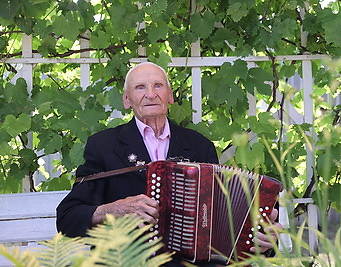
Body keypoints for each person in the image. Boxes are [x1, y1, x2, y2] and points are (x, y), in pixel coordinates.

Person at [56, 62, 281, 265]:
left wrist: (264, 237)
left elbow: (222, 218)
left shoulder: (199, 146)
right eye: (140, 87)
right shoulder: (103, 146)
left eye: (158, 86)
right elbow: (68, 218)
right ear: (126, 100)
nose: (151, 94)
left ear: (170, 95)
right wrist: (113, 210)